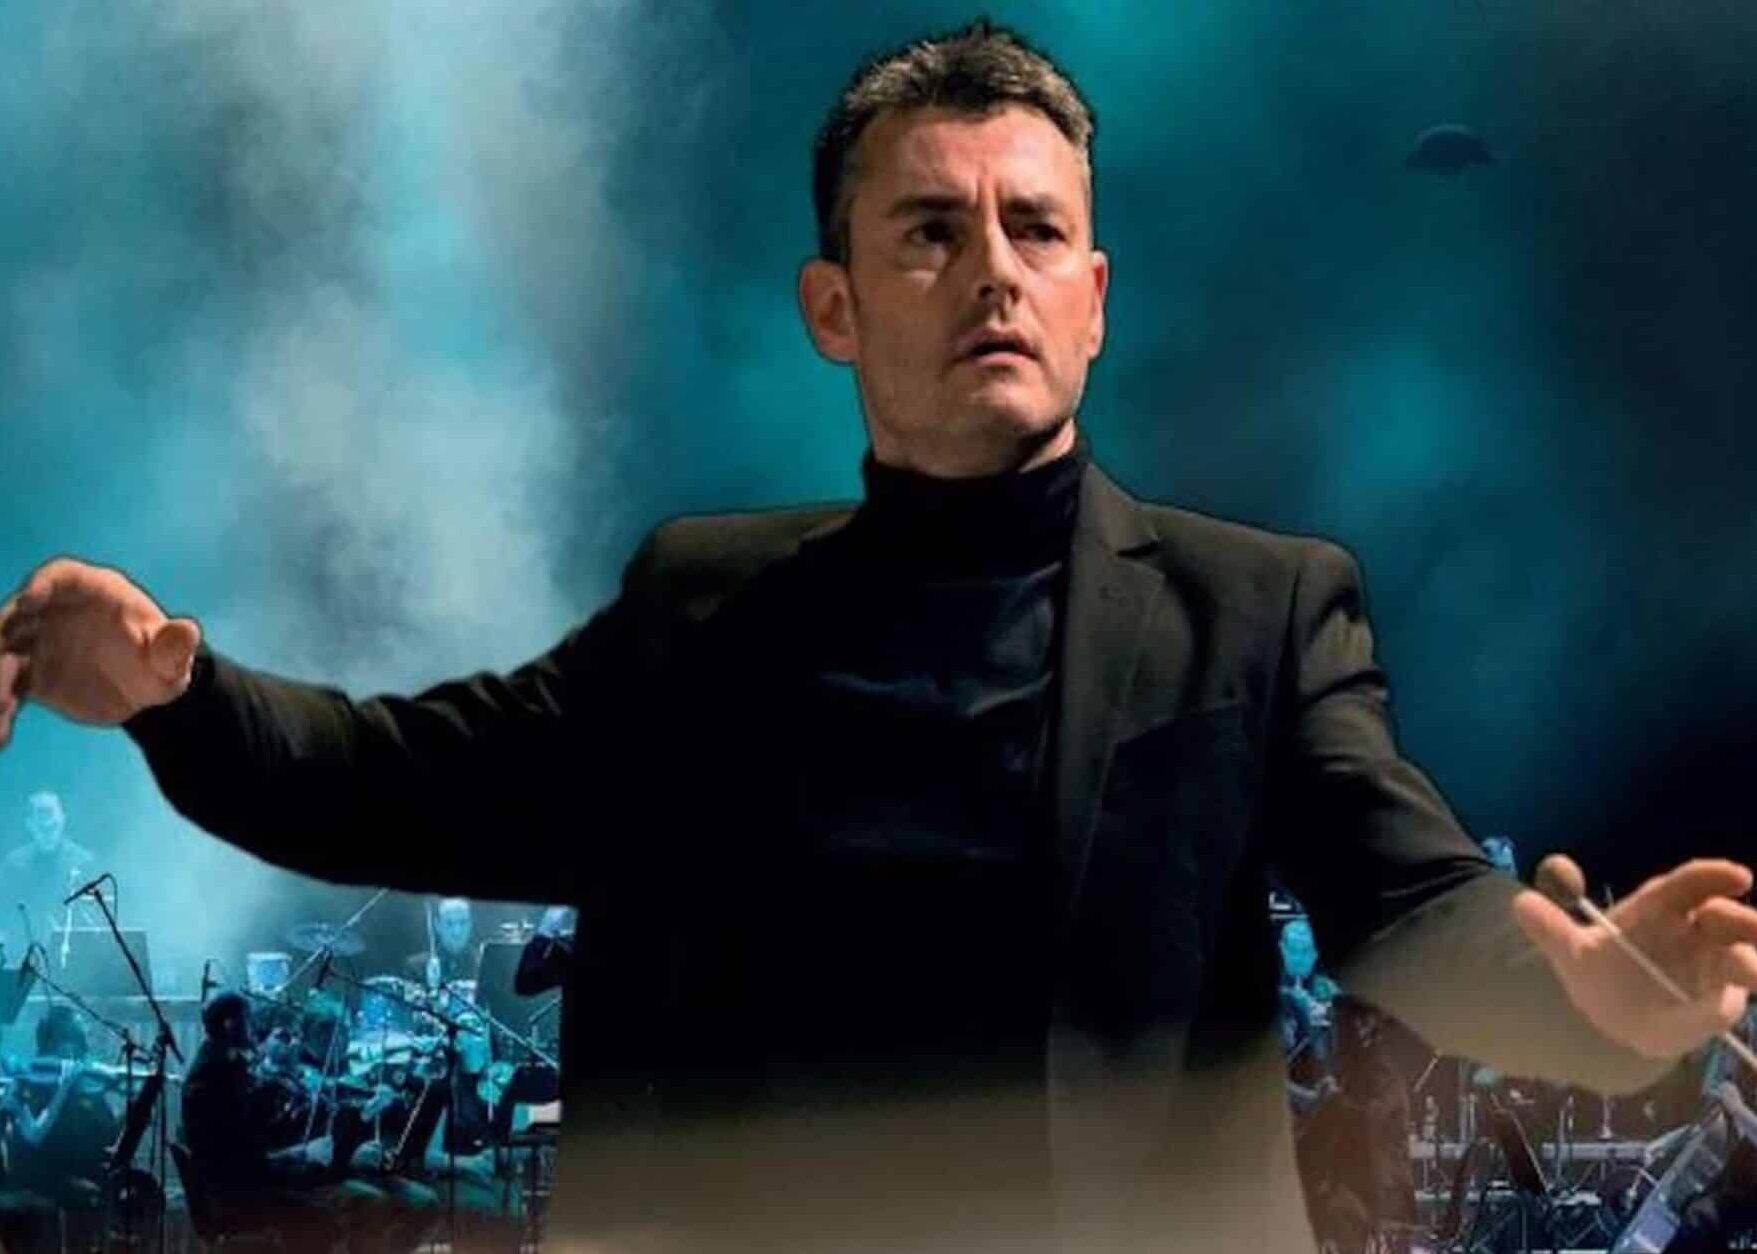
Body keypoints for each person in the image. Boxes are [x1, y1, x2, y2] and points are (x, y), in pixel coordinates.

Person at [4, 19, 1757, 1253]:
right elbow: (399, 781)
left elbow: (1418, 903)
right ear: (831, 307)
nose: (992, 269)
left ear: (1092, 298)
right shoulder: (701, 608)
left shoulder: (1255, 606)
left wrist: (1597, 1006)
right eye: (931, 230)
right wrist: (172, 688)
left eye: (1035, 229)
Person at [180, 990, 437, 1254]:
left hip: (285, 1172)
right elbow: (243, 1160)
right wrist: (301, 1153)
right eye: (249, 1021)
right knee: (362, 1206)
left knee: (411, 1200)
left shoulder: (226, 1069)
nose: (254, 1029)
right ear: (230, 1025)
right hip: (247, 1191)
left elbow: (284, 1135)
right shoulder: (216, 1081)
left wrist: (357, 1126)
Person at [1, 793, 93, 960]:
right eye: (41, 816)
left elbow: (92, 915)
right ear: (29, 824)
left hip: (75, 954)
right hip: (24, 954)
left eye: (50, 815)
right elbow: (5, 912)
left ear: (63, 819)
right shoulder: (14, 864)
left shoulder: (82, 862)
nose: (47, 823)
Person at [406, 897, 478, 992]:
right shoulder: (417, 967)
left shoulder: (482, 966)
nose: (457, 932)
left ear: (470, 924)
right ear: (438, 926)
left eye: (463, 923)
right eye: (449, 924)